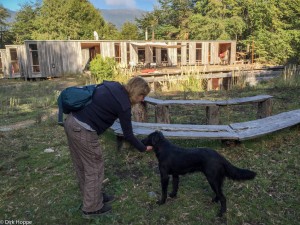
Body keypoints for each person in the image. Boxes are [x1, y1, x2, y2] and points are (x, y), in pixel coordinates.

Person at [63, 76, 153, 219]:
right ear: (136, 92)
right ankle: (91, 209)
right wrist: (143, 148)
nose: (142, 99)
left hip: (71, 122)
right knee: (94, 168)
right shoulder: (124, 105)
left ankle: (93, 196)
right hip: (83, 130)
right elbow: (128, 134)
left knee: (81, 165)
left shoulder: (113, 86)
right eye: (142, 95)